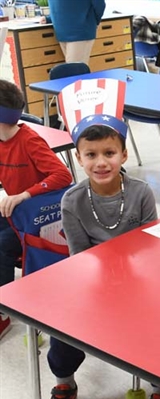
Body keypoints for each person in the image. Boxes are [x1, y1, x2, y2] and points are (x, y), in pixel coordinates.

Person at [41, 78, 160, 399]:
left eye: (109, 153)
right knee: (63, 325)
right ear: (79, 158)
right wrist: (105, 287)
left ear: (124, 154)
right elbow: (79, 256)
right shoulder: (72, 200)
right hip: (93, 281)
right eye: (91, 155)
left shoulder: (142, 193)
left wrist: (133, 282)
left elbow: (150, 246)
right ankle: (65, 385)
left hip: (140, 280)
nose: (101, 162)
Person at [0, 80, 73, 340]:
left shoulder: (29, 140)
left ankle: (3, 311)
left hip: (32, 214)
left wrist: (24, 194)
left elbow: (62, 175)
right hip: (13, 208)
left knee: (1, 247)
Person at [48, 0, 106, 64]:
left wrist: (95, 21)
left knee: (75, 71)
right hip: (62, 32)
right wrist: (49, 18)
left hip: (80, 32)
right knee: (73, 70)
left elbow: (100, 5)